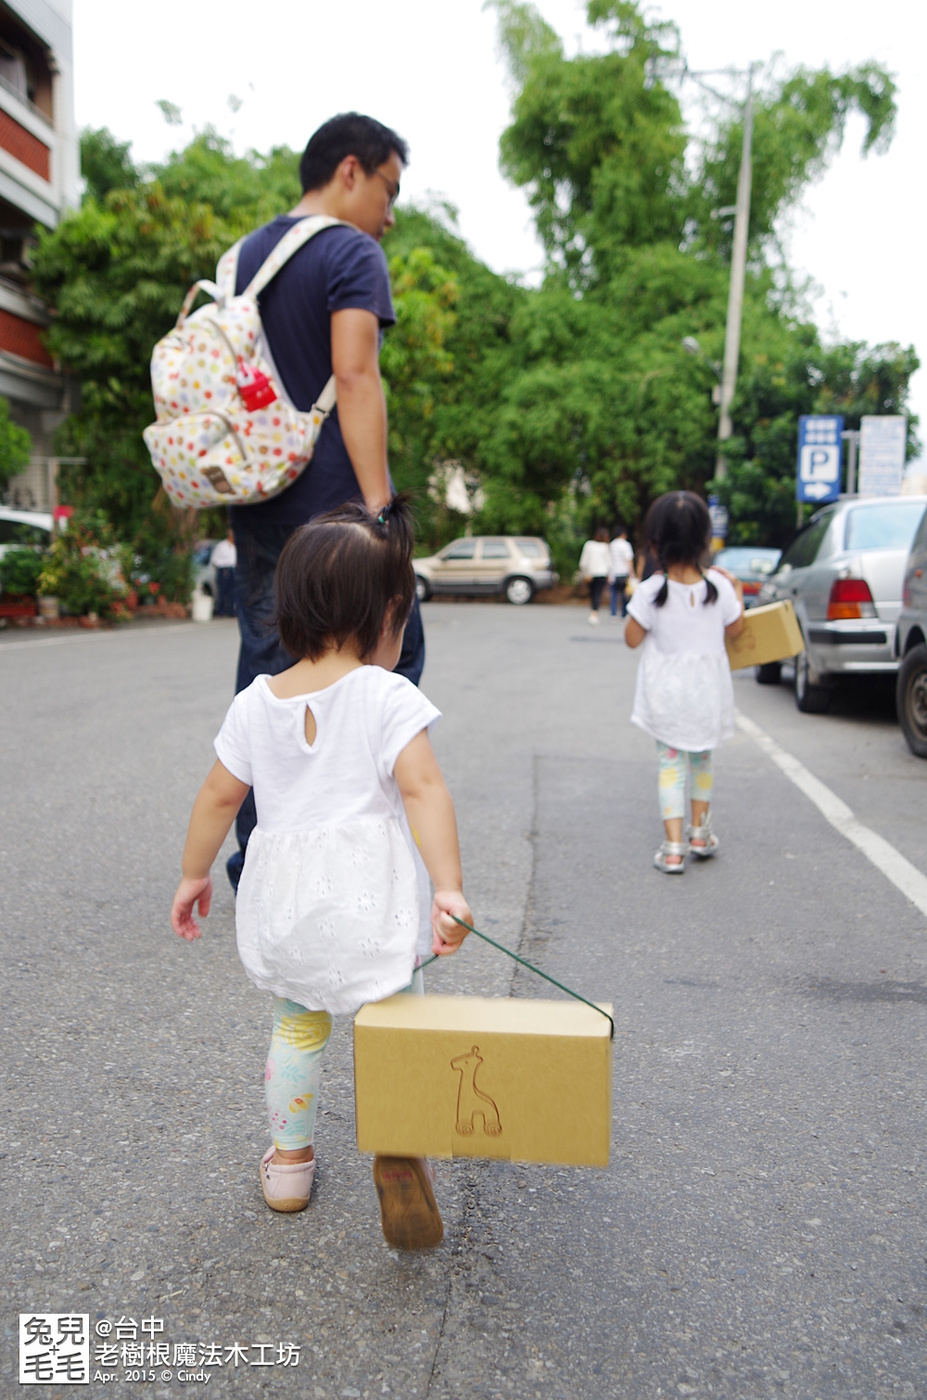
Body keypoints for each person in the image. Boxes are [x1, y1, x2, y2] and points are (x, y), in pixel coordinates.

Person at [171, 498, 472, 1249]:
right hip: (372, 899)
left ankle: (291, 1166)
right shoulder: (384, 694)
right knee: (396, 1021)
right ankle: (400, 1145)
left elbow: (217, 795)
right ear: (384, 617)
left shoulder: (255, 701)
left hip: (288, 902)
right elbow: (423, 790)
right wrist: (447, 887)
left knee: (297, 1029)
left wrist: (192, 874)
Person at [226, 112, 424, 891]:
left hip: (260, 495)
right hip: (337, 512)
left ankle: (263, 860)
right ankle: (359, 855)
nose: (390, 209)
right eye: (388, 187)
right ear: (351, 170)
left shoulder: (244, 256)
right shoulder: (351, 251)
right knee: (388, 661)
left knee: (268, 668)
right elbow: (354, 375)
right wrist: (380, 509)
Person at [624, 492, 744, 873]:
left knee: (670, 765)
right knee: (703, 760)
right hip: (707, 692)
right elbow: (737, 631)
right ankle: (699, 834)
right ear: (703, 542)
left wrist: (637, 591)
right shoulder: (720, 588)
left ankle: (673, 848)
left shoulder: (651, 591)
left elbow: (631, 639)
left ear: (655, 543)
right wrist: (738, 591)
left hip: (666, 695)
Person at [578, 526, 611, 625]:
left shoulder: (589, 545)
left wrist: (584, 572)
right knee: (598, 593)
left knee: (593, 593)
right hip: (602, 574)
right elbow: (608, 563)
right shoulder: (605, 547)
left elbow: (584, 561)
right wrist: (609, 575)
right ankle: (594, 613)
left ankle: (593, 613)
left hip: (591, 574)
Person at [608, 526, 635, 620]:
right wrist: (632, 572)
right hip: (624, 572)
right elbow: (629, 559)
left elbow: (609, 559)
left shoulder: (612, 544)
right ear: (623, 534)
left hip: (613, 572)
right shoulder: (626, 545)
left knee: (614, 594)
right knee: (625, 593)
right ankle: (624, 613)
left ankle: (613, 614)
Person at [210, 530, 237, 617]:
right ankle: (221, 610)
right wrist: (224, 564)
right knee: (223, 591)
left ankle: (231, 610)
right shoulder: (221, 546)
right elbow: (214, 560)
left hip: (234, 570)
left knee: (233, 592)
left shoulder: (236, 546)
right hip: (224, 570)